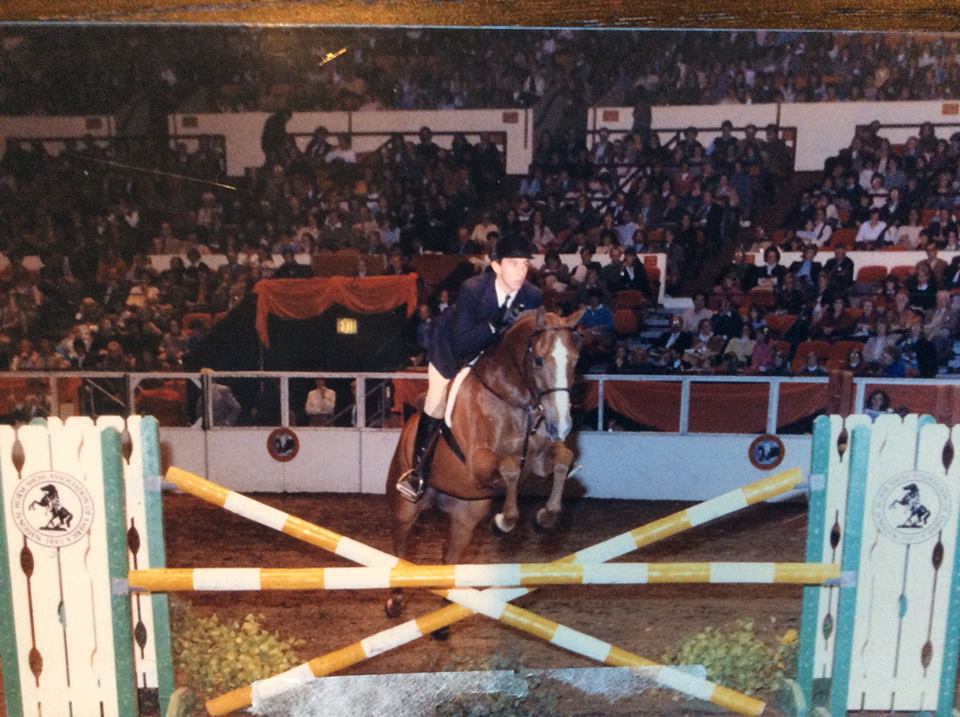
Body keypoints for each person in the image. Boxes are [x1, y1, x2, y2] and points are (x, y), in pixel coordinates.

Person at [395, 234, 544, 502]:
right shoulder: (473, 289)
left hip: (494, 360)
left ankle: (546, 452)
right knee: (436, 401)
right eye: (513, 264)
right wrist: (496, 323)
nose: (521, 271)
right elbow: (463, 343)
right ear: (496, 266)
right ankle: (417, 472)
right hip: (452, 352)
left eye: (524, 264)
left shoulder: (532, 295)